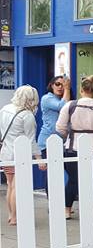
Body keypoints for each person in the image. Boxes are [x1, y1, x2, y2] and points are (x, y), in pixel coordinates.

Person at [55, 76, 93, 218]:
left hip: (73, 146)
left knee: (73, 179)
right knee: (91, 179)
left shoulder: (70, 105)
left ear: (81, 90)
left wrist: (69, 135)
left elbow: (60, 128)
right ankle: (87, 209)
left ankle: (66, 210)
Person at [0, 85, 46, 225]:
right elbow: (31, 141)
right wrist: (39, 160)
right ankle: (15, 218)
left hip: (6, 153)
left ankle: (10, 215)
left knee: (10, 185)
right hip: (19, 156)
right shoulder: (27, 116)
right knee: (16, 186)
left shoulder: (5, 109)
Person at [38, 75, 71, 163]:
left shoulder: (66, 99)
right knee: (52, 174)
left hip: (63, 142)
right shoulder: (47, 98)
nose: (60, 87)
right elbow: (62, 106)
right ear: (52, 85)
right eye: (57, 84)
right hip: (48, 141)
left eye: (63, 85)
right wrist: (67, 89)